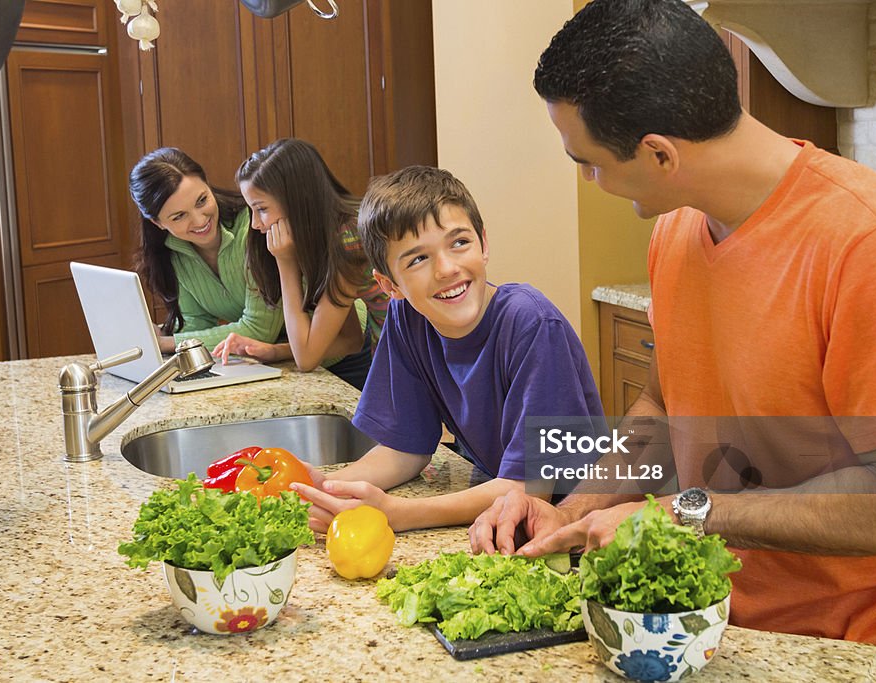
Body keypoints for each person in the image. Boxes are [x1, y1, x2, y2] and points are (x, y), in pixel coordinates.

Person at [468, 1, 876, 680]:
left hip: (849, 651)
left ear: (660, 153)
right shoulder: (676, 230)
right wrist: (569, 511)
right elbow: (663, 409)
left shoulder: (872, 244)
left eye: (589, 162)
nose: (587, 180)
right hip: (705, 626)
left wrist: (687, 511)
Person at [289, 165, 606, 533]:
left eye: (459, 242)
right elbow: (406, 450)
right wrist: (327, 489)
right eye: (418, 259)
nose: (446, 269)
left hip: (577, 523)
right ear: (389, 284)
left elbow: (530, 489)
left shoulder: (531, 324)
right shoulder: (407, 318)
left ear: (484, 244)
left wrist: (397, 514)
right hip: (503, 516)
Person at [214, 138, 386, 389]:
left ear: (297, 200)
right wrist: (274, 352)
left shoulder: (348, 239)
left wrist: (286, 263)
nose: (255, 224)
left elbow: (306, 359)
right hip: (393, 362)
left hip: (411, 365)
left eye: (261, 209)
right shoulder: (335, 232)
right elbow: (349, 340)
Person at [129, 147, 287, 356]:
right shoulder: (172, 250)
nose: (200, 220)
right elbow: (197, 323)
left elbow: (259, 330)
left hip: (318, 364)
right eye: (179, 216)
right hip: (262, 363)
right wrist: (160, 334)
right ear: (157, 223)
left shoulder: (255, 228)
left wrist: (165, 343)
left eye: (202, 200)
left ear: (208, 185)